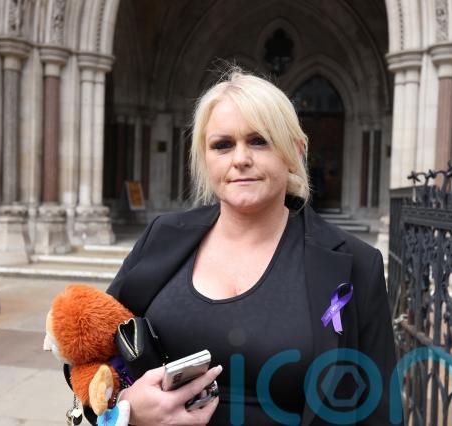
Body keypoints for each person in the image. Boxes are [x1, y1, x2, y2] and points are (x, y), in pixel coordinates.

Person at [106, 68, 400, 425]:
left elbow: (380, 411)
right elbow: (90, 350)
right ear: (205, 157)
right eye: (222, 145)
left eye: (259, 141)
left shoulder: (356, 263)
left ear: (295, 152)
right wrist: (124, 406)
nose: (240, 158)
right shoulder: (161, 237)